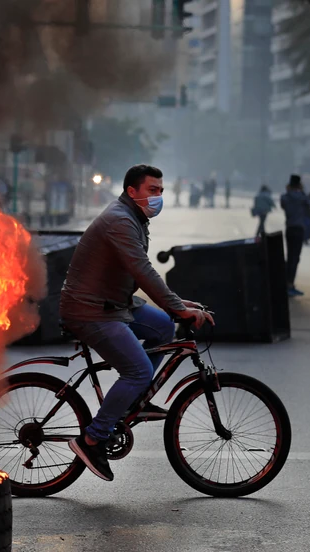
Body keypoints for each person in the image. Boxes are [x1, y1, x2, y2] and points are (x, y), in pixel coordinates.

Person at [59, 164, 214, 481]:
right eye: (152, 190)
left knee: (164, 327)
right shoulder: (120, 220)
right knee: (139, 370)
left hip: (115, 304)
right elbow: (143, 270)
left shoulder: (134, 218)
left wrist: (178, 305)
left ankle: (132, 399)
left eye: (161, 191)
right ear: (132, 191)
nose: (158, 196)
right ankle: (92, 439)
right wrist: (177, 306)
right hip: (90, 310)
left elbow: (139, 274)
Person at [280, 174, 310, 297]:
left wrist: (289, 191)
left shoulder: (285, 197)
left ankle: (287, 283)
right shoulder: (302, 198)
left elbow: (283, 206)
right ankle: (290, 284)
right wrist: (302, 191)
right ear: (299, 185)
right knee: (295, 258)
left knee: (290, 256)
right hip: (299, 229)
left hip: (289, 228)